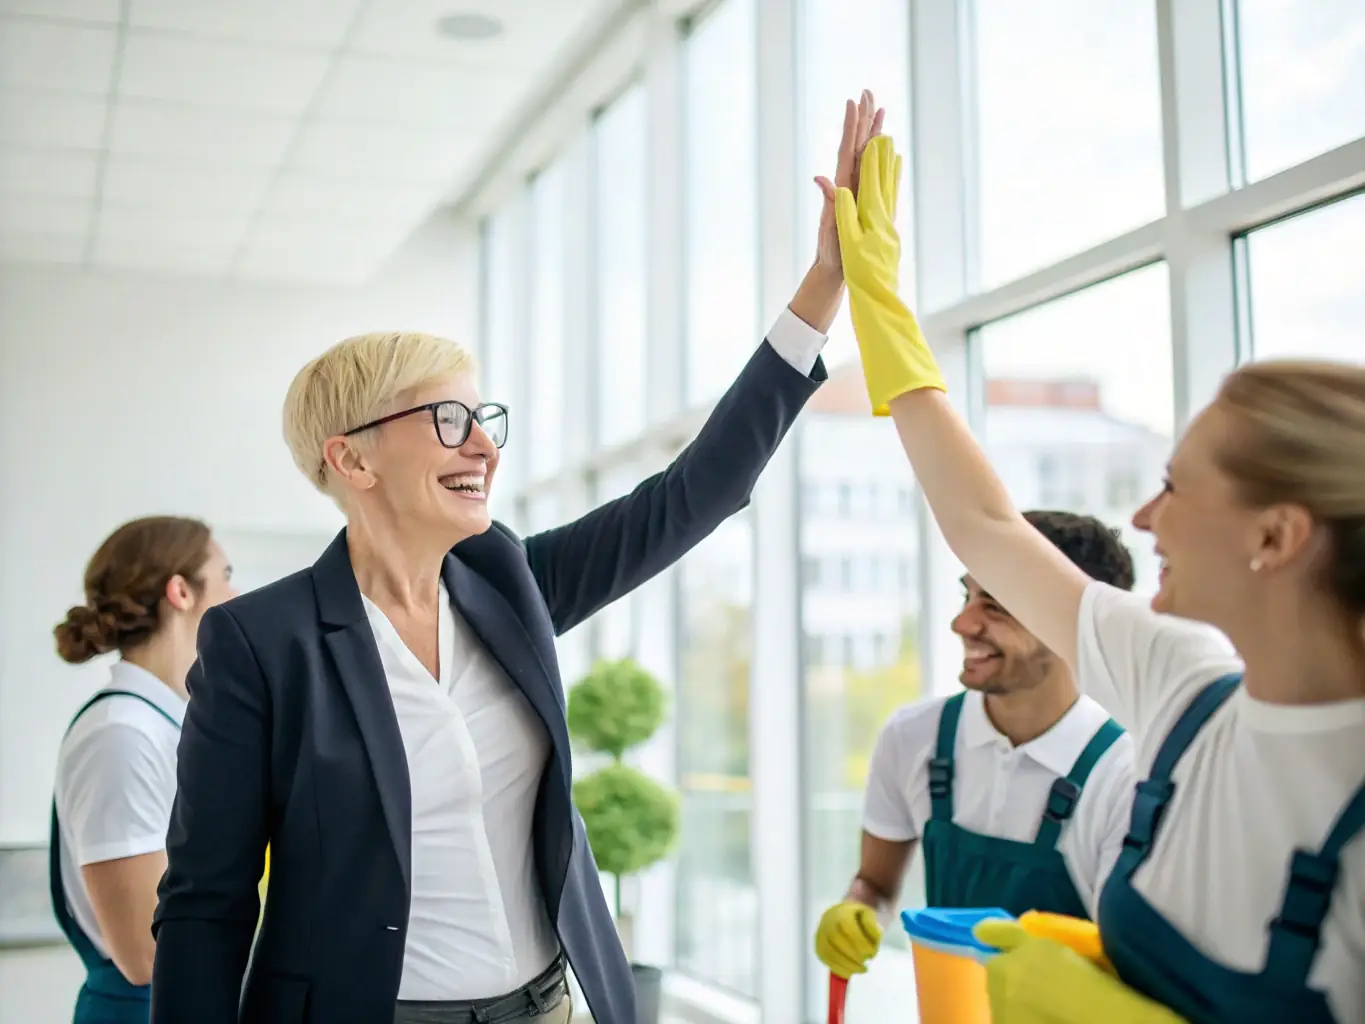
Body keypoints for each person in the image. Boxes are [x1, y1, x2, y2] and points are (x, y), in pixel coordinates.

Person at [150, 93, 888, 1024]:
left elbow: (689, 496)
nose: (483, 447)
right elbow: (205, 903)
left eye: (484, 420)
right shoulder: (262, 642)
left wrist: (822, 286)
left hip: (549, 1007)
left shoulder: (507, 585)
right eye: (448, 421)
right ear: (352, 457)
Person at [827, 132, 1365, 1022]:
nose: (1145, 519)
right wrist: (880, 306)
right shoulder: (1183, 687)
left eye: (1172, 487)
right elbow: (987, 526)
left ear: (1273, 536)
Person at [815, 510, 1137, 981]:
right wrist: (857, 910)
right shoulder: (913, 738)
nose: (961, 623)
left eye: (996, 604)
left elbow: (1129, 960)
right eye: (967, 595)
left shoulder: (1124, 774)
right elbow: (875, 884)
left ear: (1076, 623)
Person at [49, 516, 237, 1024]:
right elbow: (144, 953)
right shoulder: (121, 733)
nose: (236, 592)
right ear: (180, 591)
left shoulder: (169, 719)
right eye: (225, 573)